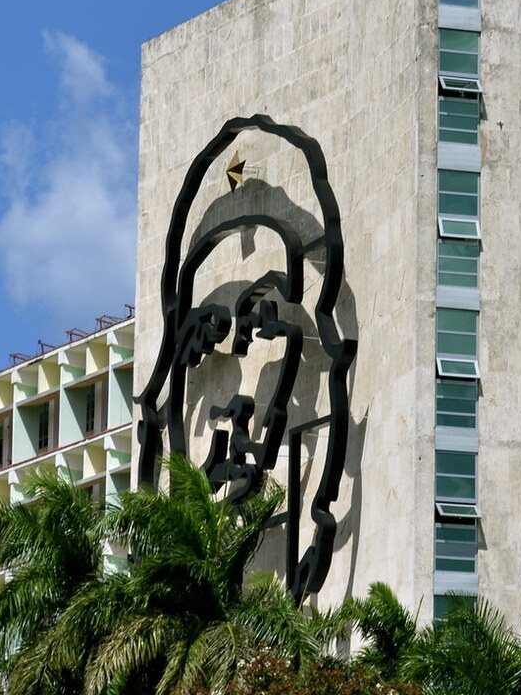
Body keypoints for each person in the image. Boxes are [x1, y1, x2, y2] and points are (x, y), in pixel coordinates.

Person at [137, 113, 358, 599]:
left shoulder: (296, 375)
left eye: (258, 321)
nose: (236, 345)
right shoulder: (192, 422)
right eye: (213, 329)